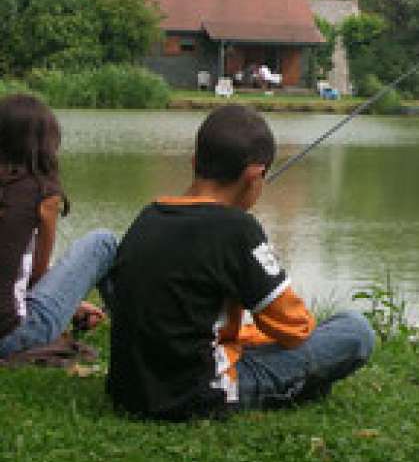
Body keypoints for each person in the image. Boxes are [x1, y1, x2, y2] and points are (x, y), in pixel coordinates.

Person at [105, 104, 374, 420]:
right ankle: (296, 386)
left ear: (195, 163)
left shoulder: (148, 217)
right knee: (354, 331)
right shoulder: (236, 229)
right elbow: (294, 328)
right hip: (197, 394)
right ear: (255, 175)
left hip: (128, 392)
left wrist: (247, 336)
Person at [0, 94, 117, 361]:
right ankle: (136, 330)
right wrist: (70, 303)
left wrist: (72, 304)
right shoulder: (42, 194)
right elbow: (38, 277)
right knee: (102, 242)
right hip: (11, 336)